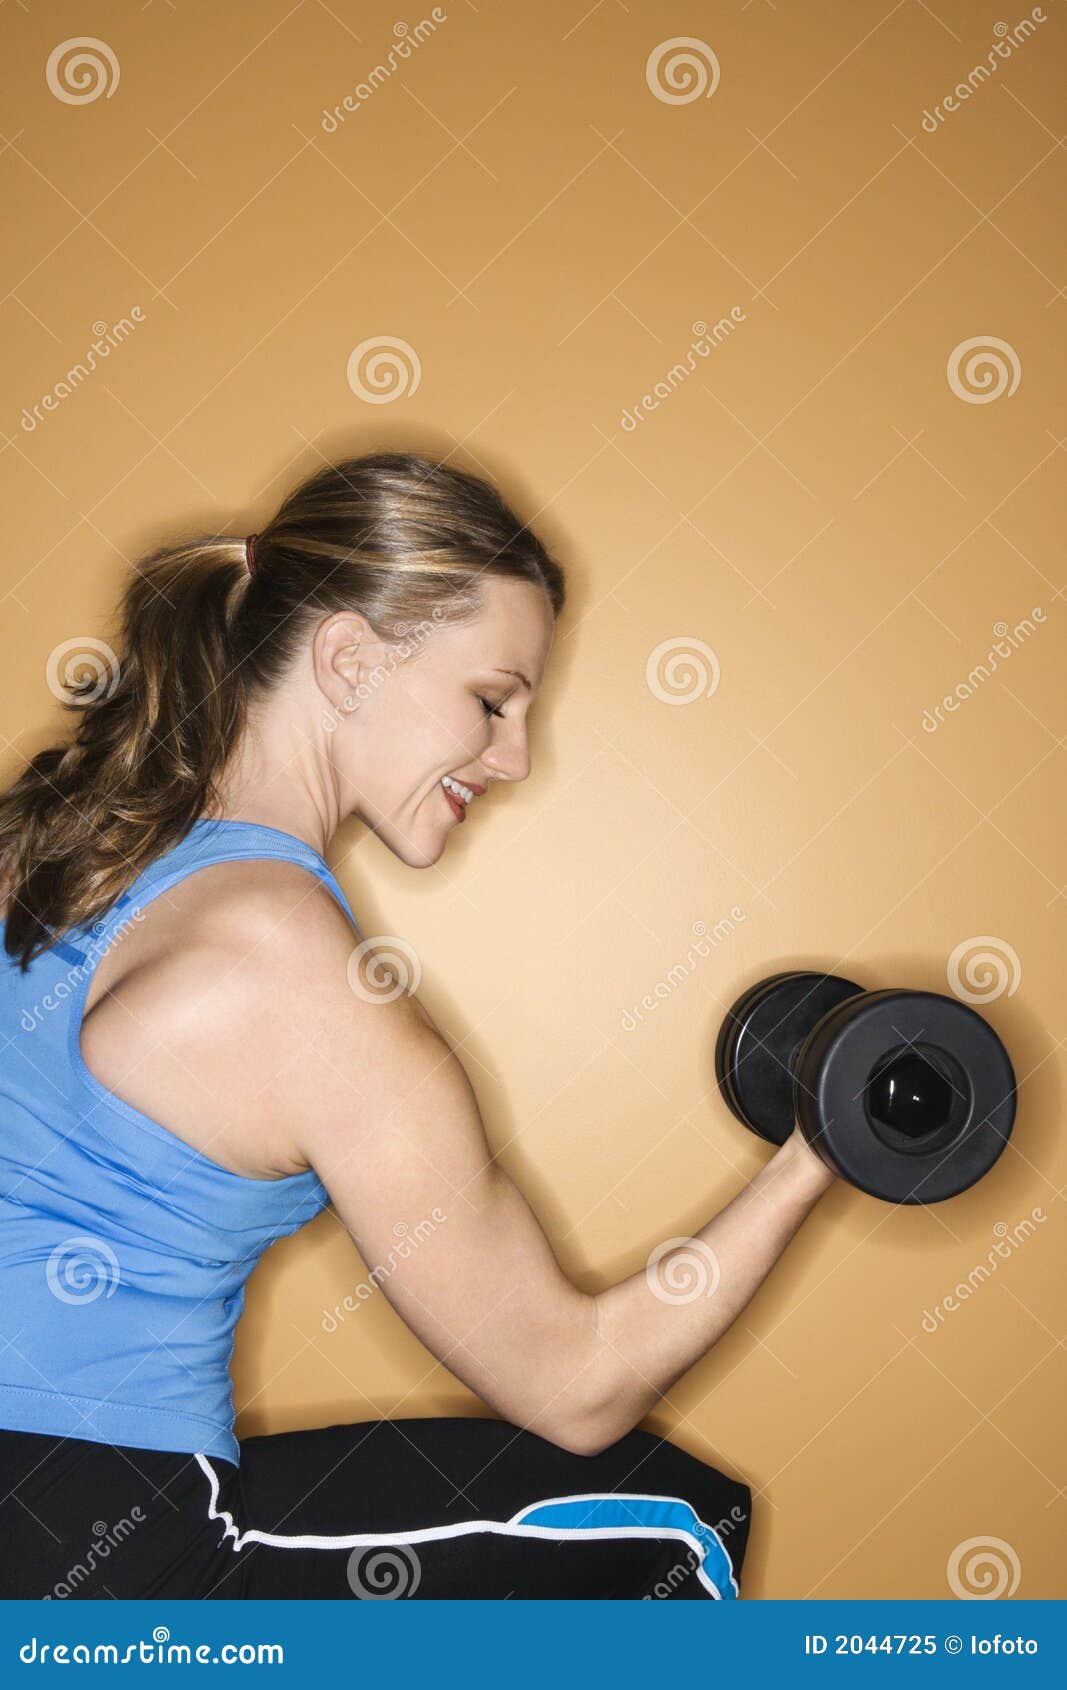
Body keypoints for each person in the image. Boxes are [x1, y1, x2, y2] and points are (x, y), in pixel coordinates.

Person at [0, 450, 836, 1600]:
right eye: (490, 699)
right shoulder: (294, 969)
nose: (515, 757)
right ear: (346, 658)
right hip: (107, 1552)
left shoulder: (62, 852)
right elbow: (573, 1384)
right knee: (678, 1523)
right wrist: (821, 1148)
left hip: (37, 1512)